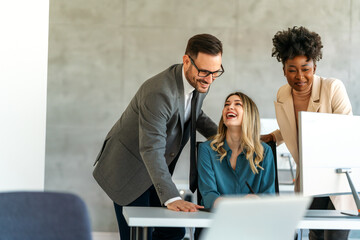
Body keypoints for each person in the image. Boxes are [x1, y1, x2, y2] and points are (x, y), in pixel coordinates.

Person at [93, 33, 223, 240]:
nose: (210, 79)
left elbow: (194, 113)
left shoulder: (199, 81)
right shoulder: (159, 93)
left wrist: (225, 139)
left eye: (216, 72)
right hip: (128, 170)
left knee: (173, 232)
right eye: (205, 72)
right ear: (186, 60)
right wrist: (171, 197)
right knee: (138, 234)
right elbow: (151, 148)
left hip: (154, 171)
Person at [261, 26, 353, 240]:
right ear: (283, 69)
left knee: (336, 236)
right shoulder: (283, 93)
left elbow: (345, 131)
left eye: (306, 68)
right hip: (311, 177)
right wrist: (275, 136)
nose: (299, 76)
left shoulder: (332, 88)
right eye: (292, 69)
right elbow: (294, 126)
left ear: (315, 66)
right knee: (314, 234)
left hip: (339, 175)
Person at [198, 92, 276, 209]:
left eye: (238, 104)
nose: (230, 107)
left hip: (253, 220)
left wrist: (259, 201)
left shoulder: (264, 152)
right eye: (226, 104)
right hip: (217, 221)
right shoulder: (206, 149)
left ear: (249, 114)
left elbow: (268, 197)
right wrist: (238, 204)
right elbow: (209, 196)